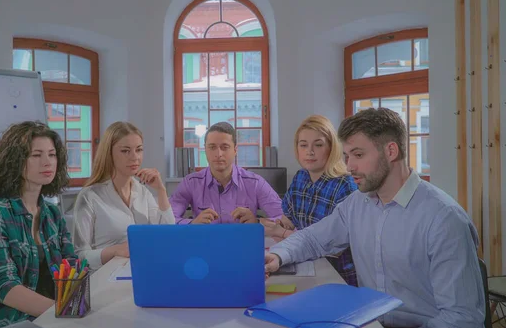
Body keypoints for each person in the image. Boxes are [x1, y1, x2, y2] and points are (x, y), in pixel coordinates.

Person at [264, 108, 484, 328]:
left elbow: (462, 319)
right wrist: (277, 255)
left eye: (358, 155)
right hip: (366, 321)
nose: (350, 166)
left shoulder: (444, 219)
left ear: (391, 151)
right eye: (347, 156)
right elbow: (313, 239)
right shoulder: (357, 204)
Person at [0, 121, 77, 327]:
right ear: (15, 161)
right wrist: (64, 311)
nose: (47, 162)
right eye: (36, 155)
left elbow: (70, 264)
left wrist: (81, 301)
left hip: (42, 316)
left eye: (52, 154)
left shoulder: (52, 213)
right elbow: (5, 287)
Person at [260, 115, 358, 286]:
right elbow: (288, 220)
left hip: (336, 275)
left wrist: (280, 232)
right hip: (306, 263)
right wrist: (269, 225)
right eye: (303, 145)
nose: (309, 152)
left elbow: (332, 245)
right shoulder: (301, 177)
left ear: (332, 148)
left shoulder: (345, 185)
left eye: (318, 145)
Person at [73, 122, 174, 270]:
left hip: (142, 272)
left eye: (139, 150)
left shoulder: (143, 193)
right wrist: (114, 251)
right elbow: (79, 256)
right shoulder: (89, 196)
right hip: (104, 280)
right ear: (109, 153)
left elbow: (168, 237)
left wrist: (161, 191)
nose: (135, 157)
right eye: (125, 151)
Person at [169, 122, 284, 224]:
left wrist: (257, 222)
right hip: (205, 245)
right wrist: (192, 224)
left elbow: (285, 218)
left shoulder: (255, 183)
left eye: (225, 147)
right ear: (205, 149)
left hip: (242, 245)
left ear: (235, 150)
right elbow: (167, 219)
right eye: (212, 147)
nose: (218, 154)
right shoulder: (191, 183)